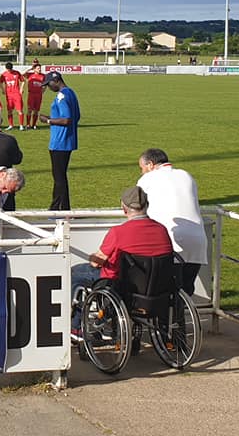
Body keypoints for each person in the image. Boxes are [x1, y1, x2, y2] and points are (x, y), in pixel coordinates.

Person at [70, 186, 174, 331]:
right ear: (147, 205)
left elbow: (95, 262)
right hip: (157, 288)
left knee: (74, 273)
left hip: (122, 286)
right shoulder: (162, 230)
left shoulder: (118, 232)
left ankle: (76, 327)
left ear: (124, 208)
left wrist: (92, 257)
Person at [136, 148, 207, 295]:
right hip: (197, 240)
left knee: (169, 292)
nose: (141, 172)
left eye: (142, 168)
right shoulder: (186, 175)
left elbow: (136, 206)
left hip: (169, 240)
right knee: (186, 291)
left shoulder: (147, 179)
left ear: (150, 164)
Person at [38, 71, 81, 210]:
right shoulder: (71, 93)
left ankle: (61, 209)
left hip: (59, 142)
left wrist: (48, 120)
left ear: (56, 81)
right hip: (68, 140)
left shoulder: (61, 96)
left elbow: (66, 119)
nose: (49, 87)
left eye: (49, 84)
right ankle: (58, 208)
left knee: (59, 177)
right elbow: (76, 117)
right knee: (60, 176)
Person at [0, 62, 25, 131]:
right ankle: (11, 125)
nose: (9, 71)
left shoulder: (17, 73)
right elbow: (0, 83)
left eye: (10, 69)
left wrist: (21, 88)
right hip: (8, 95)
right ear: (6, 69)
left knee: (20, 110)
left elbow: (23, 81)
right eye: (8, 69)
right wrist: (3, 90)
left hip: (17, 94)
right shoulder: (4, 74)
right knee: (9, 110)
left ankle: (21, 126)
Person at [23, 61, 45, 129]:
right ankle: (28, 124)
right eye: (38, 68)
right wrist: (30, 69)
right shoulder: (30, 75)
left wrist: (43, 90)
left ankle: (34, 125)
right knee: (29, 110)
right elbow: (23, 74)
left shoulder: (43, 76)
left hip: (39, 95)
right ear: (34, 69)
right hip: (31, 94)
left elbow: (45, 84)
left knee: (36, 110)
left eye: (40, 68)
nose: (39, 69)